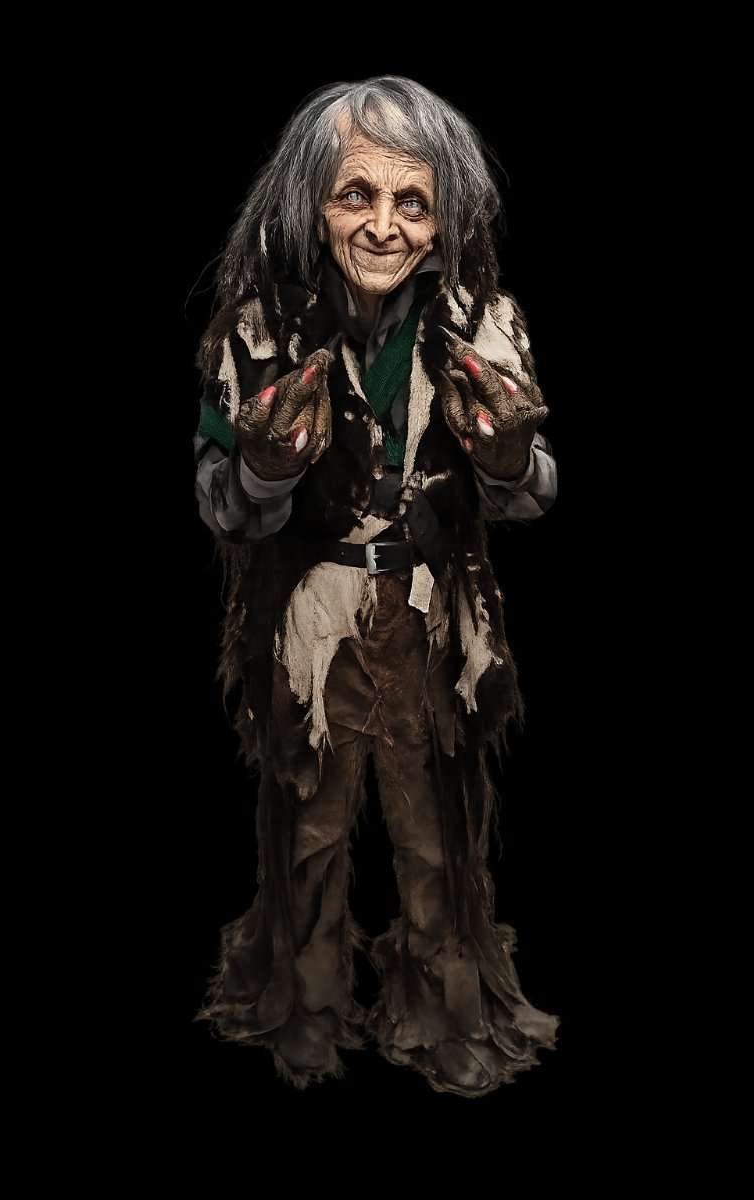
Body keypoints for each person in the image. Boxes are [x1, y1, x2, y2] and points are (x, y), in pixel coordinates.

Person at [191, 75, 560, 1098]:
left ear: (443, 220)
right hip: (310, 621)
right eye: (356, 194)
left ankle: (447, 1014)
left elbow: (534, 490)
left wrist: (505, 458)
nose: (384, 227)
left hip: (430, 616)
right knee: (307, 824)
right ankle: (302, 1009)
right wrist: (267, 470)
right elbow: (220, 501)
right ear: (313, 201)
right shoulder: (260, 327)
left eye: (412, 202)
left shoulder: (481, 323)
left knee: (435, 830)